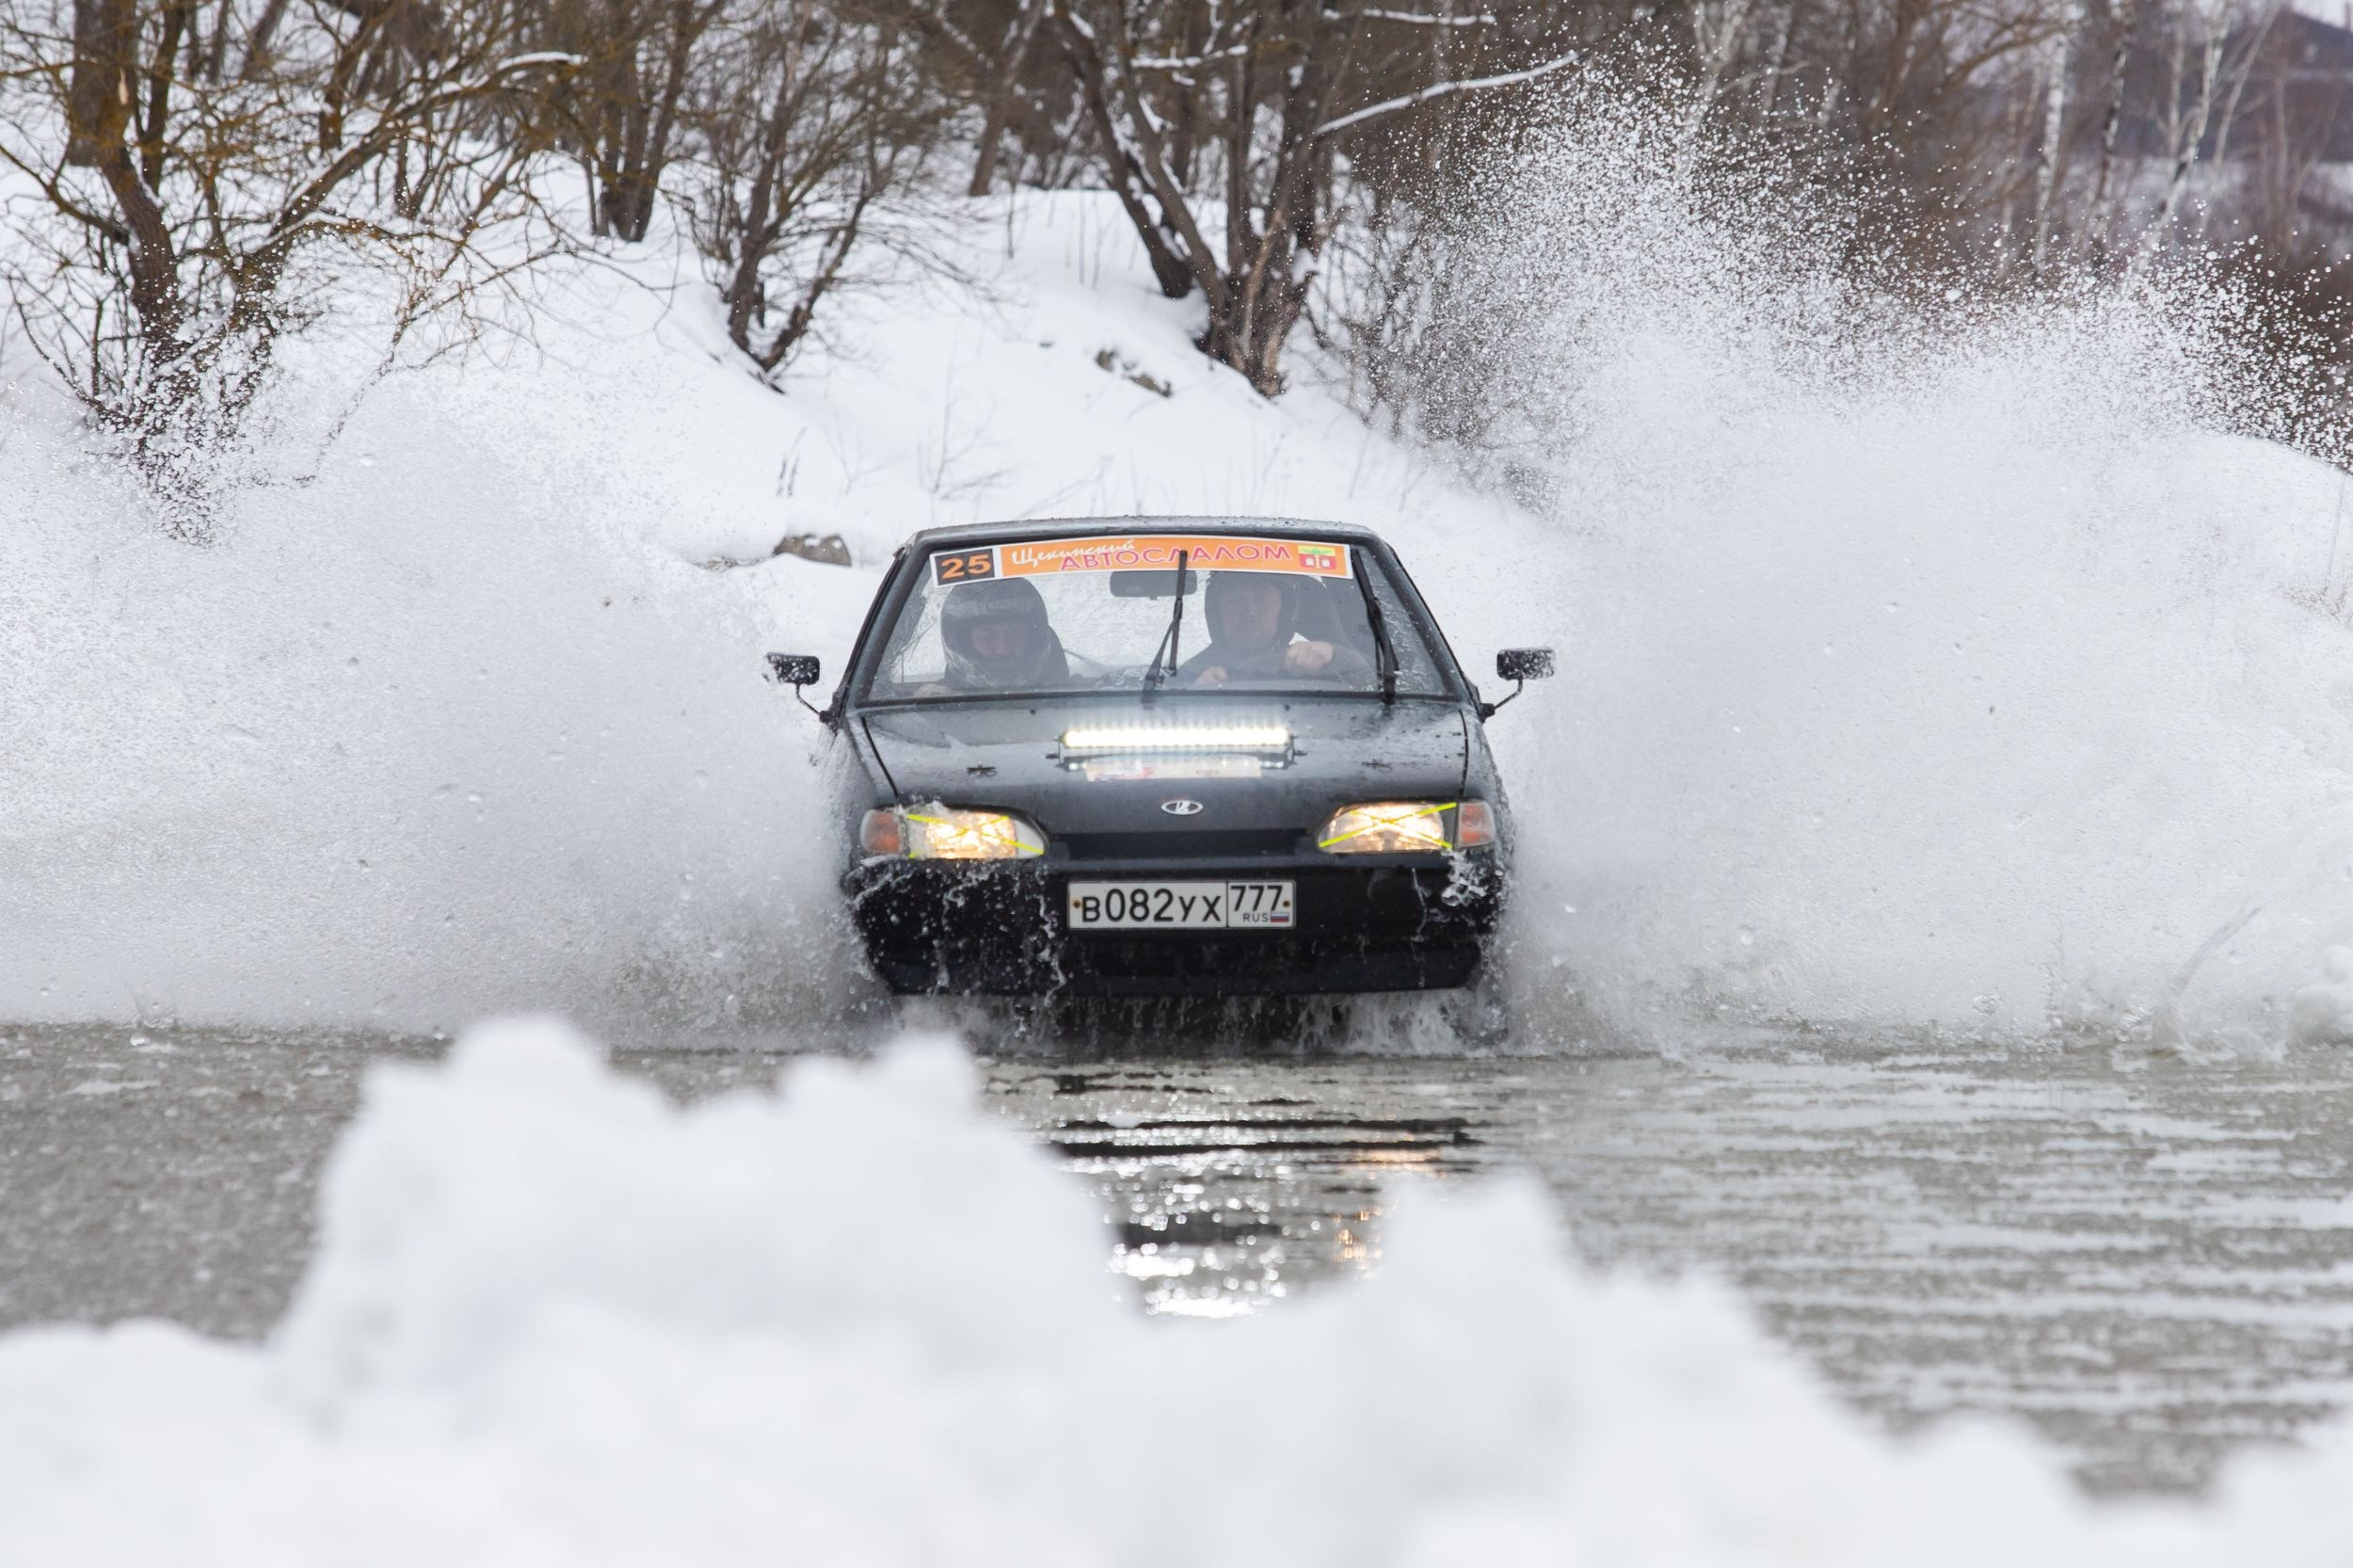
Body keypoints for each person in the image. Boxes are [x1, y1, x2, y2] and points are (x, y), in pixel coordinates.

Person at [1178, 572, 1373, 688]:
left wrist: (1337, 656)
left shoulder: (1316, 662)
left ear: (1283, 609)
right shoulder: (1188, 675)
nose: (1250, 612)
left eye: (1261, 599)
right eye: (1237, 601)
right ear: (1217, 612)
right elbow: (1158, 715)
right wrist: (1193, 694)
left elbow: (1380, 690)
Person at [936, 577, 1069, 691]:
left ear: (1034, 639)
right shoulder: (928, 708)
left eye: (1015, 635)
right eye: (987, 637)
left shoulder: (1078, 701)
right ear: (962, 643)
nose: (1003, 649)